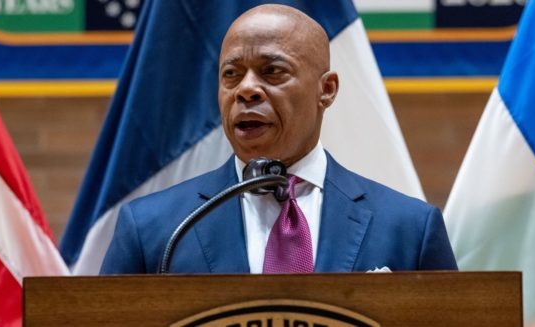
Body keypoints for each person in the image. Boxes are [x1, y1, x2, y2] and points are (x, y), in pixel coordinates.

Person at [100, 4, 457, 274]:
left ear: (327, 89)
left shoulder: (409, 229)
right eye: (231, 75)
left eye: (272, 71)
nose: (247, 89)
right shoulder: (151, 229)